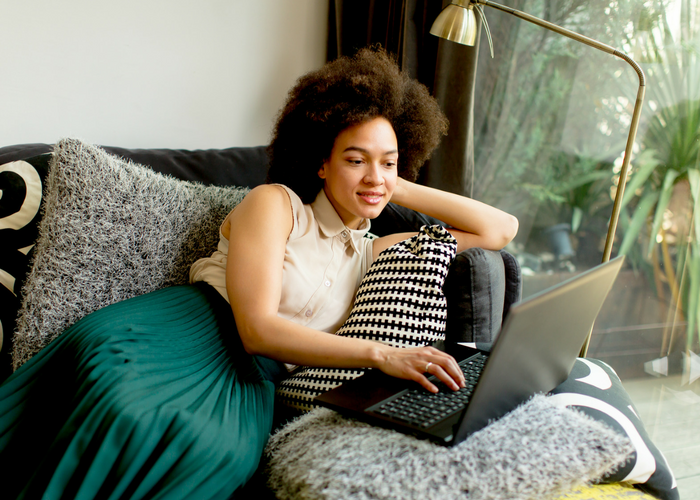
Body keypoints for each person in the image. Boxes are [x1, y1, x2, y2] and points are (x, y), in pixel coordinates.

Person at [0, 47, 517, 498]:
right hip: (181, 334)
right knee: (130, 414)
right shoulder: (275, 205)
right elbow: (257, 329)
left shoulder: (376, 251)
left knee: (221, 460)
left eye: (390, 161)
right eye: (353, 159)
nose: (373, 175)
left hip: (252, 384)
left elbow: (500, 229)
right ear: (321, 162)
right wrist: (383, 354)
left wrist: (387, 182)